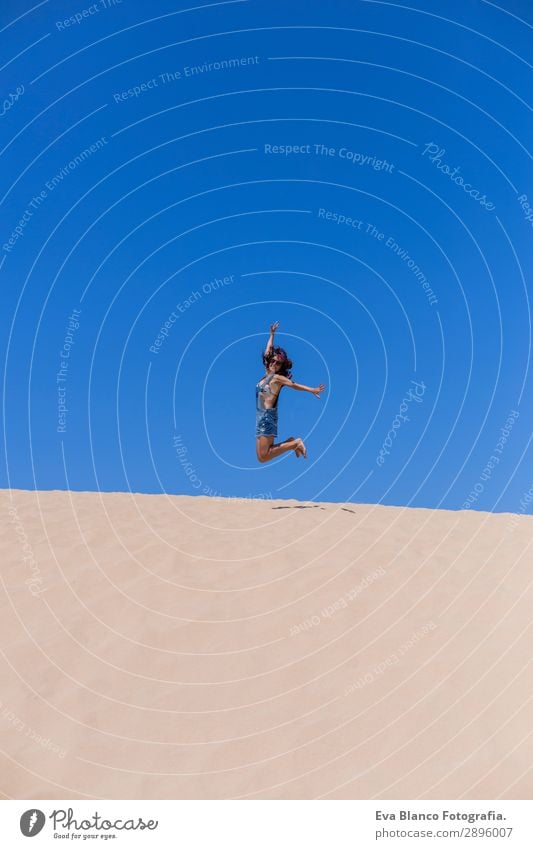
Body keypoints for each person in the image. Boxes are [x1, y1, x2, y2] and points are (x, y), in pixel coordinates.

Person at [255, 321, 326, 463]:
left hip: (267, 417)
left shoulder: (277, 378)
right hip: (261, 416)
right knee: (261, 456)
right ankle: (291, 442)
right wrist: (272, 335)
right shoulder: (267, 375)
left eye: (278, 363)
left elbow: (294, 385)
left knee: (263, 457)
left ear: (281, 366)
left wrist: (312, 390)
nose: (274, 363)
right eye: (273, 361)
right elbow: (269, 351)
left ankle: (295, 443)